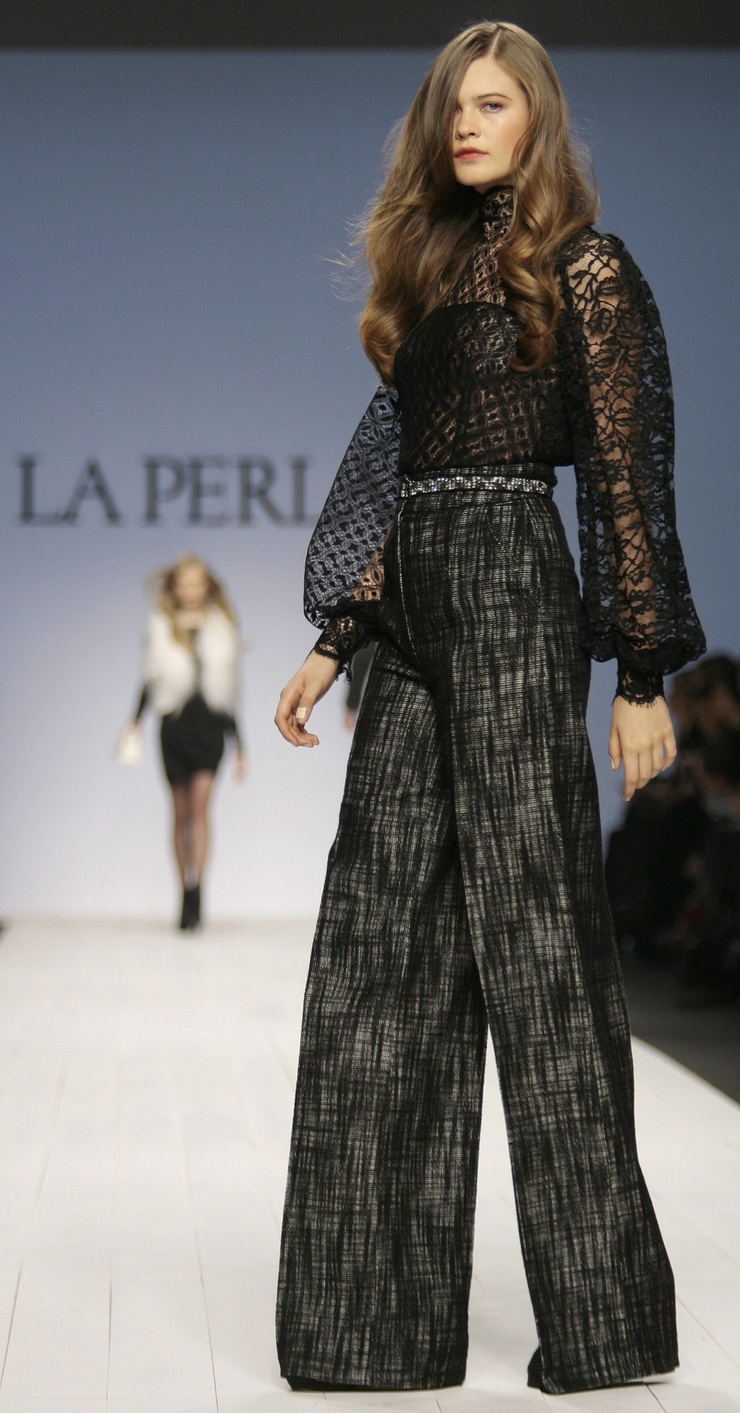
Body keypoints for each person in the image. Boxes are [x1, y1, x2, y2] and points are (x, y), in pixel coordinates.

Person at [274, 21, 706, 1396]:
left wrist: (639, 672)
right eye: (451, 107)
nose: (466, 124)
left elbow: (627, 475)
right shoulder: (427, 277)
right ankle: (371, 1326)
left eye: (493, 103)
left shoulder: (585, 269)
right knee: (374, 948)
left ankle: (605, 1323)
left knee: (539, 948)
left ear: (536, 121)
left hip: (518, 589)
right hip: (412, 614)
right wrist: (337, 639)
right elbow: (395, 473)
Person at [120, 554, 246, 929]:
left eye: (197, 583)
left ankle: (198, 890)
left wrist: (240, 746)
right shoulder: (160, 626)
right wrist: (134, 721)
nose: (191, 590)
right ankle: (183, 890)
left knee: (201, 810)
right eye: (185, 583)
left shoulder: (222, 627)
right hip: (173, 726)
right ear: (174, 588)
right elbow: (150, 678)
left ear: (207, 587)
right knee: (179, 815)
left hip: (210, 727)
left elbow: (229, 690)